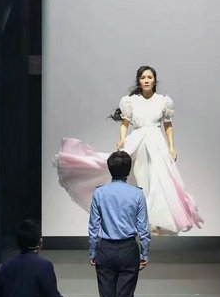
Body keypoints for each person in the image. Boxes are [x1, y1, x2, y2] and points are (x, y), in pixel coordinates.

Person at [54, 65, 202, 235]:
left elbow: (168, 126)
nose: (146, 80)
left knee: (159, 181)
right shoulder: (131, 101)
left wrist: (172, 147)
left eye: (149, 77)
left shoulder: (163, 101)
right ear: (139, 81)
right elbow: (125, 124)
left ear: (155, 81)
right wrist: (122, 140)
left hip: (157, 143)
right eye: (143, 78)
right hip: (138, 142)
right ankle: (143, 221)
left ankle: (155, 221)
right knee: (140, 180)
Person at [89, 150, 150, 297]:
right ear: (128, 170)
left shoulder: (100, 193)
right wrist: (144, 252)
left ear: (110, 169)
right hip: (128, 249)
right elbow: (143, 228)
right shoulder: (137, 194)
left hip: (105, 248)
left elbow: (93, 226)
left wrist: (92, 251)